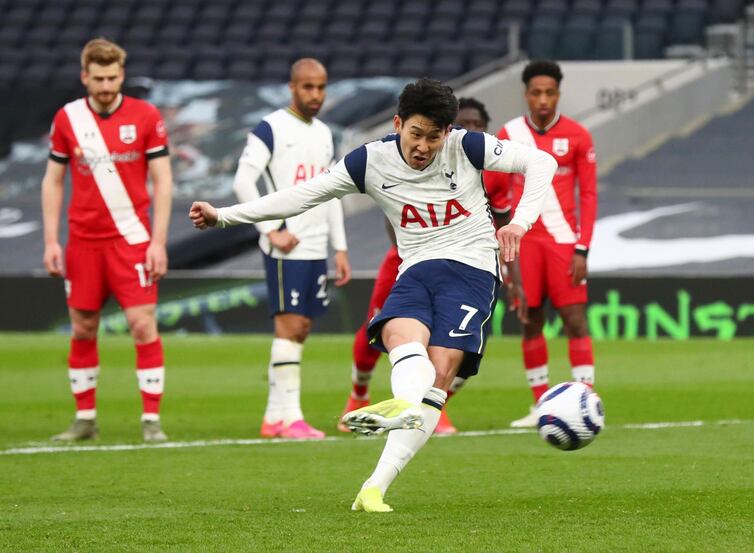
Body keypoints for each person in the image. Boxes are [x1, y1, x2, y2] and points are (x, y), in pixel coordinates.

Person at [190, 78, 556, 512]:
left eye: (433, 137)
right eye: (415, 133)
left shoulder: (468, 146)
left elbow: (543, 163)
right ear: (398, 123)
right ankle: (402, 408)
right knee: (399, 336)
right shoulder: (369, 161)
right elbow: (300, 197)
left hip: (473, 268)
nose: (423, 145)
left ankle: (375, 485)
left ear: (447, 132)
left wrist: (519, 222)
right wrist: (224, 216)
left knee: (441, 370)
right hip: (417, 268)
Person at [338, 97, 524, 436]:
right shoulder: (424, 158)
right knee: (380, 325)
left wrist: (511, 273)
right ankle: (357, 396)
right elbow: (392, 214)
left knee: (460, 343)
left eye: (476, 125)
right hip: (409, 259)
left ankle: (434, 404)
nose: (469, 131)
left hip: (471, 267)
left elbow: (502, 220)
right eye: (463, 124)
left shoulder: (494, 172)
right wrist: (413, 257)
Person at [42, 38, 173, 442]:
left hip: (131, 239)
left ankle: (151, 420)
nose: (105, 85)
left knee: (142, 325)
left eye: (112, 77)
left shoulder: (146, 116)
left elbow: (163, 180)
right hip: (83, 242)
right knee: (83, 328)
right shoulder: (67, 119)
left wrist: (158, 241)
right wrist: (51, 241)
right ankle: (85, 418)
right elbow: (53, 180)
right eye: (97, 78)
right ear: (85, 76)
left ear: (122, 75)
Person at [231, 58, 351, 440]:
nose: (315, 95)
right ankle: (291, 418)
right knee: (290, 326)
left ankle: (273, 417)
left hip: (316, 244)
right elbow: (242, 182)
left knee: (301, 329)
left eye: (321, 87)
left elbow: (332, 192)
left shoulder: (324, 133)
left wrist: (341, 247)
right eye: (308, 87)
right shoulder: (271, 128)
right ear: (292, 87)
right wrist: (270, 231)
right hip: (288, 243)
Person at [484, 60, 598, 427]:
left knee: (574, 320)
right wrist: (504, 247)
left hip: (565, 242)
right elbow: (495, 191)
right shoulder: (510, 133)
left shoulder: (579, 135)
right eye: (536, 92)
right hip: (526, 241)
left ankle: (586, 399)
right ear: (526, 94)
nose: (543, 99)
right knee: (530, 319)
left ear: (558, 94)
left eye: (550, 92)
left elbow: (590, 194)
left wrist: (583, 248)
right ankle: (540, 405)